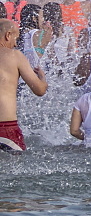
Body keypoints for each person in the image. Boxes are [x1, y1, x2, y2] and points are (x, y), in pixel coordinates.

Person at [0, 18, 47, 151]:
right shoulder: (15, 56)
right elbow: (40, 90)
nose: (15, 44)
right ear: (8, 35)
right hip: (6, 129)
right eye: (16, 38)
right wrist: (42, 78)